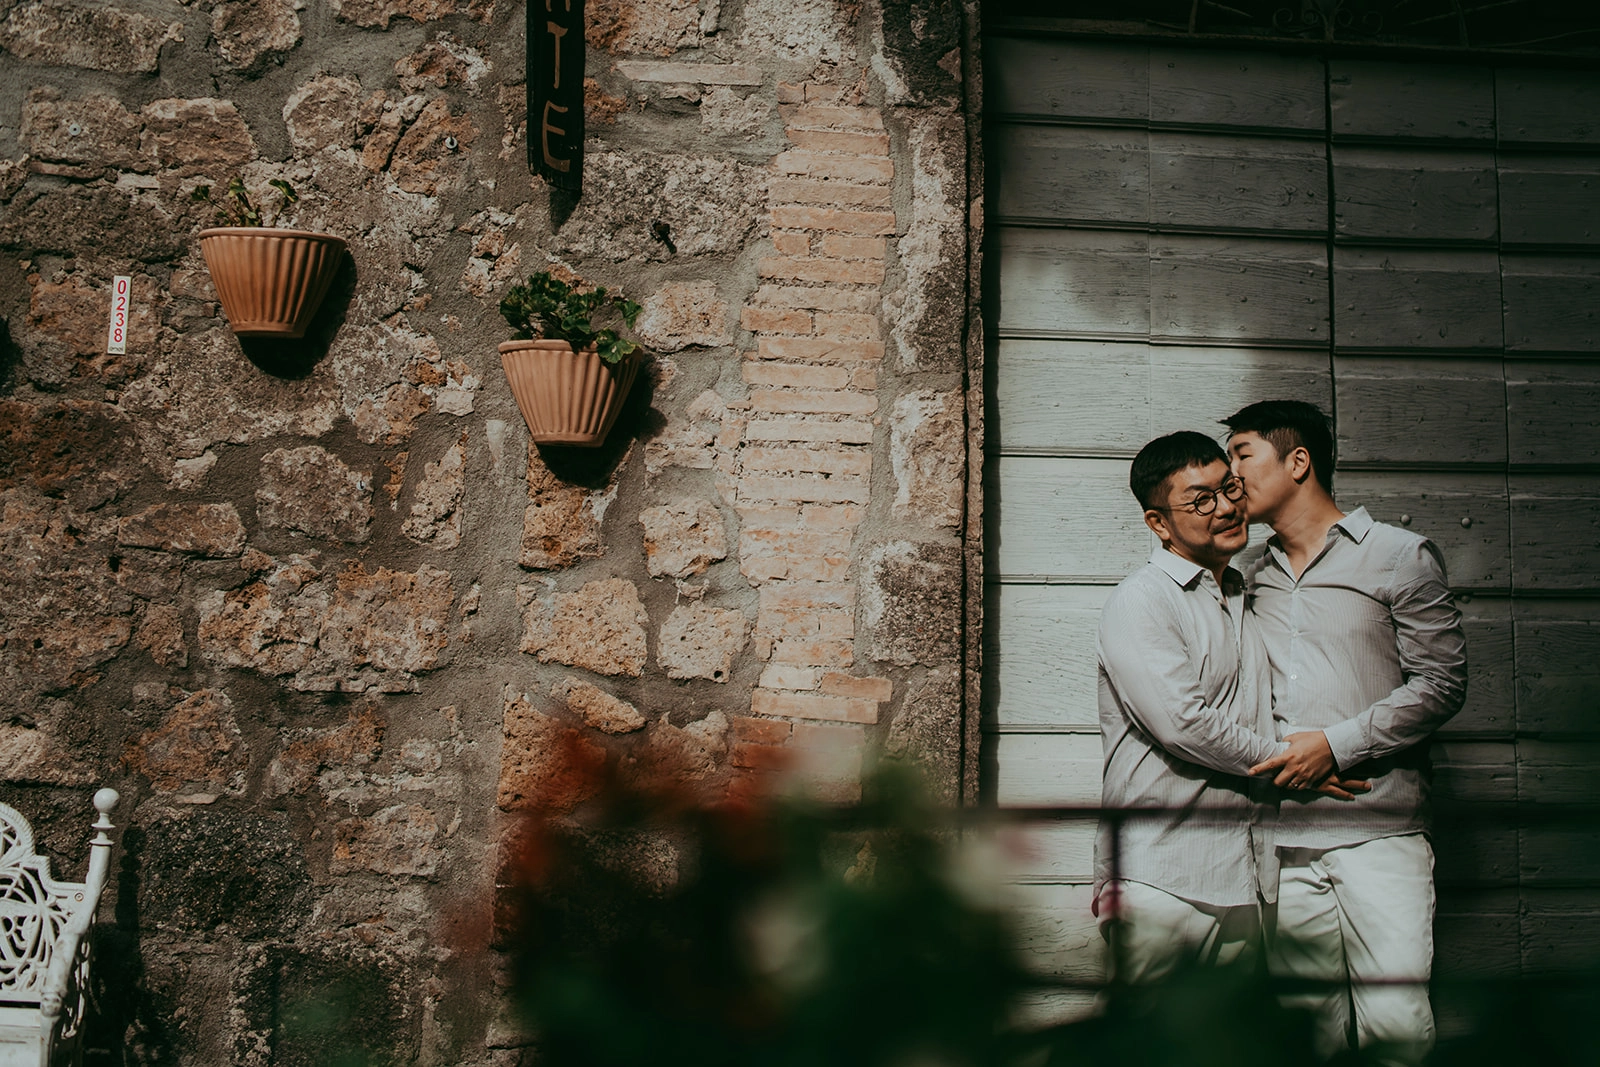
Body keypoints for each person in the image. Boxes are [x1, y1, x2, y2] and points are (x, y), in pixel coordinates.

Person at [1224, 400, 1468, 1066]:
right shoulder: (1246, 580)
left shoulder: (1399, 556)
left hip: (1382, 834)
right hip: (1286, 842)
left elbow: (1442, 684)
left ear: (1297, 459)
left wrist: (1336, 744)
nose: (1229, 473)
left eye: (1242, 453)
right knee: (1307, 1039)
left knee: (1396, 1028)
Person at [1093, 431, 1365, 984]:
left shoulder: (1245, 591)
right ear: (1158, 524)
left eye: (1229, 488)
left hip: (1245, 879)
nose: (1225, 508)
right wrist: (1296, 764)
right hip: (1159, 877)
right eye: (1200, 500)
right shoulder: (1141, 599)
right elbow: (1183, 722)